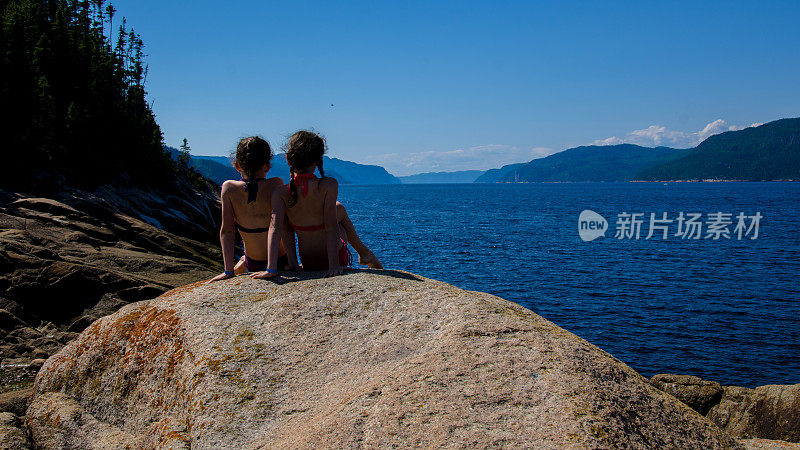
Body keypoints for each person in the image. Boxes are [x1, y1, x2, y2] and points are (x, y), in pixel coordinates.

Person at [253, 130, 382, 278]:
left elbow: (275, 229)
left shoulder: (281, 192)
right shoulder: (328, 185)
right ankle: (363, 252)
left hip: (308, 262)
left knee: (283, 221)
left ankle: (294, 262)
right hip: (333, 260)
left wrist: (271, 269)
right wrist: (333, 265)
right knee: (339, 211)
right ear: (318, 160)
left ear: (288, 159)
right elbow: (331, 226)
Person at [209, 136, 289, 282]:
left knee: (244, 258)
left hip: (253, 262)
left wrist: (228, 271)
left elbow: (227, 230)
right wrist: (271, 269)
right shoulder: (275, 184)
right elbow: (277, 227)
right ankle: (244, 261)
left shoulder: (228, 188)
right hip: (280, 261)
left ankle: (240, 263)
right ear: (268, 165)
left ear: (237, 166)